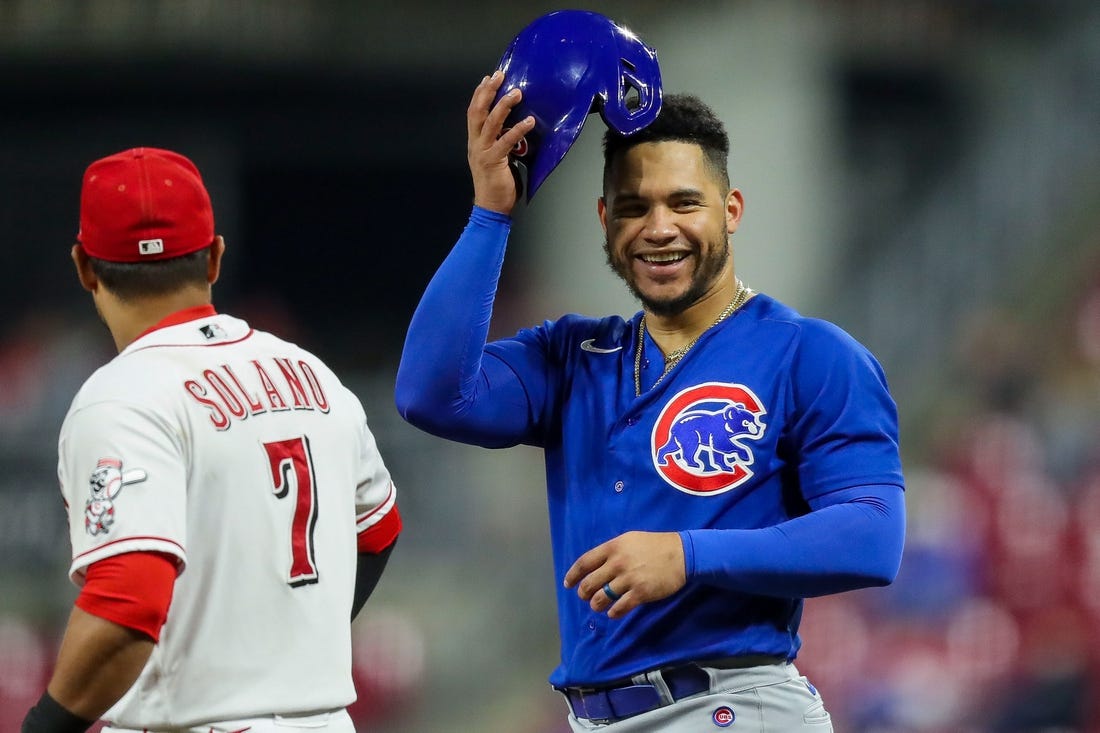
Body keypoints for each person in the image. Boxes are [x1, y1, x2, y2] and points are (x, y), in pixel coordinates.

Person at [394, 71, 906, 732]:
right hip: (592, 717)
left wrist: (687, 554)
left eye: (684, 202)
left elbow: (872, 534)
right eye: (634, 206)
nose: (659, 227)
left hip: (729, 708)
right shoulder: (572, 358)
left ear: (732, 210)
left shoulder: (810, 353)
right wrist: (491, 213)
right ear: (606, 221)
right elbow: (430, 394)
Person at [22, 147, 402, 733]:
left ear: (84, 266)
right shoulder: (313, 375)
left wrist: (44, 726)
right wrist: (290, 651)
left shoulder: (122, 396)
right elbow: (377, 530)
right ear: (215, 257)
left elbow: (129, 598)